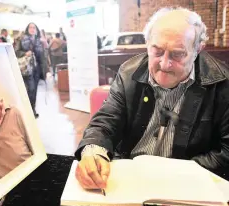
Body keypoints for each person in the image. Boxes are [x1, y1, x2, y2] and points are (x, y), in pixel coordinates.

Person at [75, 7, 229, 190]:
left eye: (178, 54)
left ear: (197, 49)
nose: (164, 64)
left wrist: (178, 173)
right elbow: (106, 122)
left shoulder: (222, 84)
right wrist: (94, 151)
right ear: (147, 44)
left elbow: (226, 152)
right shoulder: (128, 74)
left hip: (186, 185)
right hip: (129, 180)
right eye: (157, 51)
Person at [15, 22, 48, 118]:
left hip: (36, 69)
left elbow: (43, 56)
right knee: (30, 89)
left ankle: (32, 110)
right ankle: (28, 110)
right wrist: (25, 53)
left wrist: (44, 44)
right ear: (27, 29)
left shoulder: (39, 41)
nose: (32, 29)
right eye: (30, 27)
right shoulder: (22, 39)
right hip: (27, 68)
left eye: (34, 27)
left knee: (34, 91)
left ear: (37, 30)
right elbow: (16, 52)